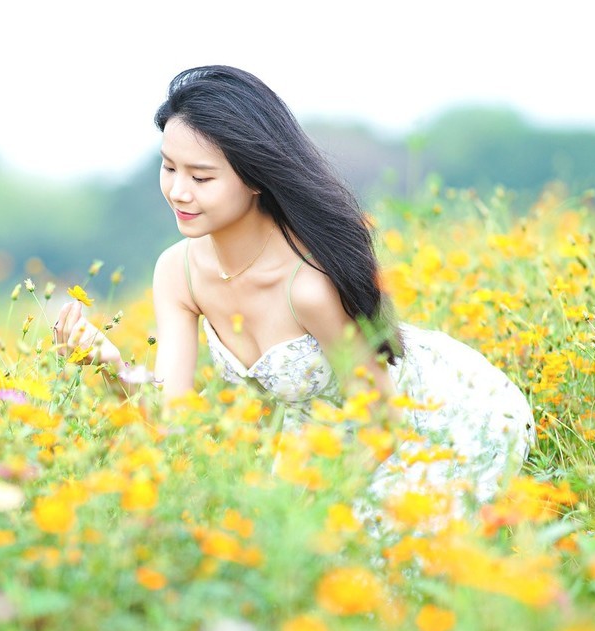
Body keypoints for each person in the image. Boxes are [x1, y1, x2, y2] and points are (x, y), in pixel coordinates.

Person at [53, 65, 534, 535]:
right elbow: (171, 421)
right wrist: (110, 367)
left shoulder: (309, 286)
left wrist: (307, 514)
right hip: (314, 455)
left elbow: (382, 425)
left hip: (428, 424)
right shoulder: (177, 272)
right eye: (169, 167)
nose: (178, 191)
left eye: (201, 178)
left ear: (254, 178)